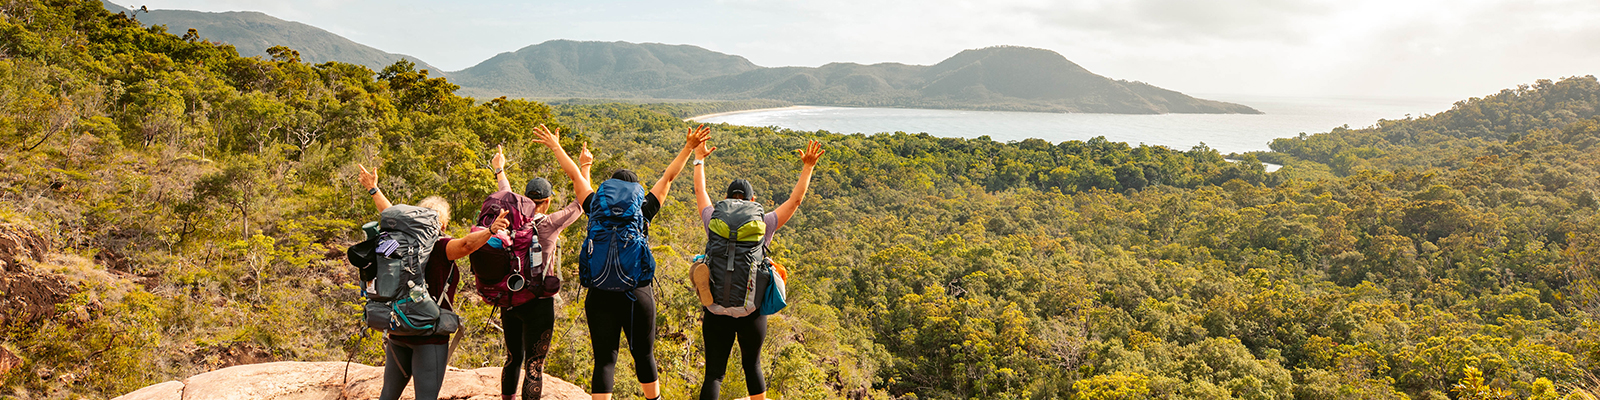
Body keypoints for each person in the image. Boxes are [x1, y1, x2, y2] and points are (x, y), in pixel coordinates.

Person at [576, 124, 711, 400]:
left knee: (604, 359)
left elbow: (579, 182)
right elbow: (669, 177)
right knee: (644, 355)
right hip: (637, 293)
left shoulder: (594, 208)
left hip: (599, 293)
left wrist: (584, 165)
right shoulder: (642, 209)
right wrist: (689, 148)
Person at [358, 163, 509, 400]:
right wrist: (490, 230)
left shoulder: (396, 243)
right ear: (443, 225)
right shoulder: (441, 247)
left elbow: (389, 212)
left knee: (387, 395)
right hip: (429, 335)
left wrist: (374, 189)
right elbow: (467, 244)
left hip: (398, 329)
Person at [690, 139, 825, 400]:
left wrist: (699, 159)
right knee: (752, 365)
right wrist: (807, 167)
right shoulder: (764, 223)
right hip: (751, 308)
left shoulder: (713, 220)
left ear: (727, 199)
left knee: (714, 374)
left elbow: (699, 191)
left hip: (715, 308)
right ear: (752, 200)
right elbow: (795, 201)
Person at [484, 135, 594, 400]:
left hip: (509, 298)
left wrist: (500, 170)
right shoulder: (551, 223)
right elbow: (583, 200)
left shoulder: (509, 218)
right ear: (547, 201)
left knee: (512, 358)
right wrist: (585, 167)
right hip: (539, 301)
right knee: (534, 365)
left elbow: (507, 194)